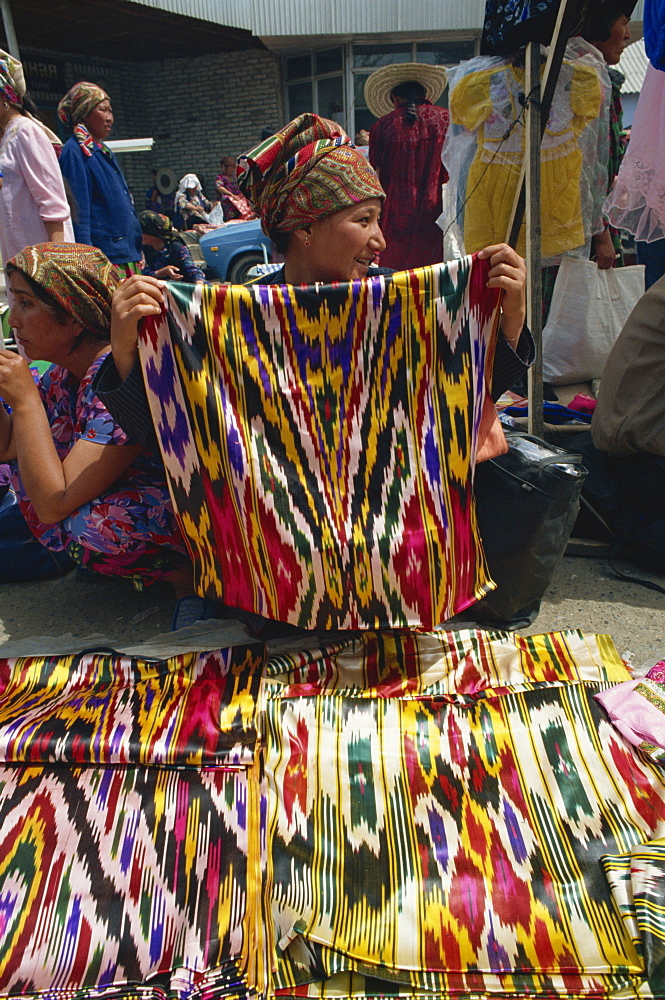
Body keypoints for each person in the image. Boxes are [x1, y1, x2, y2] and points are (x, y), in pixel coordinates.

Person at [91, 114, 531, 627]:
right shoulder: (233, 318)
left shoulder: (399, 302)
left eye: (378, 221)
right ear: (303, 226)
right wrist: (127, 352)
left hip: (391, 540)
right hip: (279, 558)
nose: (380, 241)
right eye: (363, 221)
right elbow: (166, 432)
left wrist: (511, 320)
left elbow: (467, 394)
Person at [0, 242, 188, 587]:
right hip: (119, 492)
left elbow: (54, 504)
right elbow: (8, 446)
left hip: (183, 517)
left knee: (89, 524)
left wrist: (25, 400)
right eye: (14, 302)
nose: (13, 319)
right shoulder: (62, 375)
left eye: (26, 303)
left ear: (74, 316)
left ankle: (186, 582)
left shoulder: (118, 376)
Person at [365, 63, 450, 270]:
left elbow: (373, 174)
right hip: (436, 212)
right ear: (425, 94)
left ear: (395, 98)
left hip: (396, 216)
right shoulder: (446, 119)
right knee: (433, 274)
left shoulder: (382, 126)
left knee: (398, 275)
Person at [57, 82, 142, 275]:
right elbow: (79, 211)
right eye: (103, 110)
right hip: (105, 260)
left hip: (127, 253)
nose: (110, 118)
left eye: (110, 111)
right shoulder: (75, 152)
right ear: (84, 113)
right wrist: (87, 258)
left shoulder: (102, 149)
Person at [0, 55, 73, 270]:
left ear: (4, 97)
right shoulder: (7, 138)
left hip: (44, 262)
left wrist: (58, 263)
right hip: (20, 261)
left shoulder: (26, 132)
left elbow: (53, 203)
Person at [581, 0, 636, 269]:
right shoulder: (584, 82)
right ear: (600, 25)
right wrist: (601, 234)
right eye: (623, 23)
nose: (627, 35)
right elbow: (586, 166)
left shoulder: (602, 79)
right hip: (588, 232)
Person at [139, 210, 205, 283]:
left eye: (140, 231)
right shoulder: (144, 250)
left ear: (152, 235)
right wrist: (160, 273)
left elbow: (193, 270)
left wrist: (199, 283)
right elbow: (142, 274)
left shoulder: (176, 248)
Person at [215, 156, 256, 221]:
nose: (232, 170)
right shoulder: (220, 178)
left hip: (239, 200)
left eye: (234, 167)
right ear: (225, 168)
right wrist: (232, 195)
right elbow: (220, 188)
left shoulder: (235, 178)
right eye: (231, 168)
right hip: (229, 203)